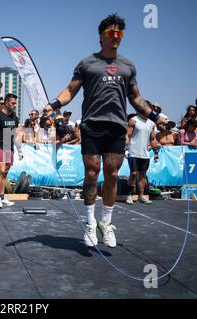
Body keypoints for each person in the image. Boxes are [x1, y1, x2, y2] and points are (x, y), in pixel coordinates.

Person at [43, 14, 167, 248]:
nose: (116, 37)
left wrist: (155, 116)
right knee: (92, 173)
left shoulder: (128, 66)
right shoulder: (87, 63)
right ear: (101, 36)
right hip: (92, 125)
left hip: (116, 127)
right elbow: (70, 90)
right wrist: (53, 105)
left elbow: (136, 98)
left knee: (111, 174)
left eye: (120, 33)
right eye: (111, 33)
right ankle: (90, 223)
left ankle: (106, 223)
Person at [0, 93, 23, 209]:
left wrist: (19, 150)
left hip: (10, 148)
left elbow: (17, 134)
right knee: (1, 170)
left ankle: (2, 196)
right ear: (7, 103)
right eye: (13, 103)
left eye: (15, 103)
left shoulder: (15, 117)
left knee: (5, 173)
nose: (15, 105)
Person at [125, 113, 160, 205]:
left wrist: (156, 152)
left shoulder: (151, 123)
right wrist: (126, 149)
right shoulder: (133, 120)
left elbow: (152, 139)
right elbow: (128, 135)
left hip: (145, 154)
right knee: (133, 173)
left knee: (143, 175)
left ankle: (141, 196)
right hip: (133, 152)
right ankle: (129, 195)